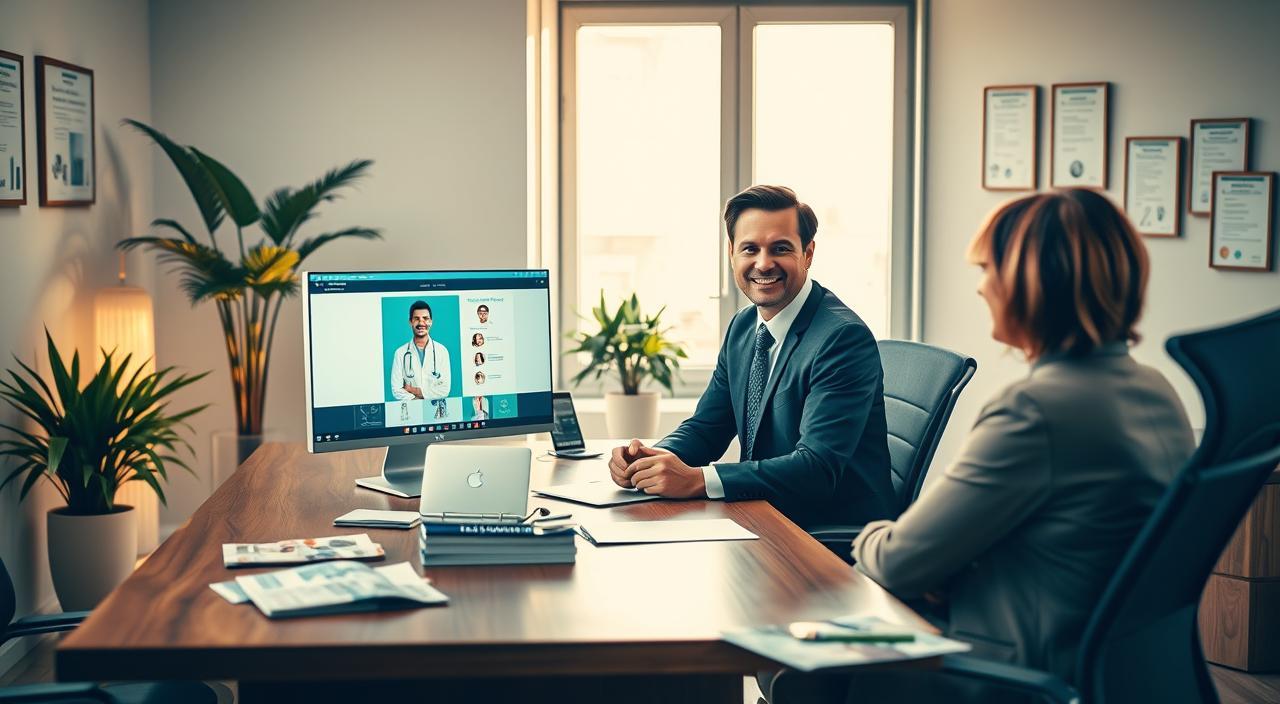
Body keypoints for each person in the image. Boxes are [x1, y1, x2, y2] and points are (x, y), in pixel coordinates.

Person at [766, 189, 1197, 704]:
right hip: (1116, 668)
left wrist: (881, 537)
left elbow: (897, 561)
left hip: (1009, 667)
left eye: (989, 269)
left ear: (1034, 285)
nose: (982, 287)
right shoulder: (1154, 389)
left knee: (798, 671)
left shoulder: (1036, 410)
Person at [608, 185, 894, 529]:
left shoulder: (841, 338)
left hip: (827, 533)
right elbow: (708, 427)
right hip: (764, 516)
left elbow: (816, 469)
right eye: (750, 248)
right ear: (732, 253)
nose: (763, 263)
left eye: (780, 248)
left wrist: (698, 479)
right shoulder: (744, 327)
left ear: (808, 253)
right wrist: (652, 460)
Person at [389, 301, 451, 412]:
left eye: (425, 318)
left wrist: (414, 390)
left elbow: (444, 390)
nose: (421, 323)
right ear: (410, 322)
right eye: (416, 319)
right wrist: (419, 402)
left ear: (431, 322)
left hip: (436, 412)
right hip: (412, 412)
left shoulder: (442, 351)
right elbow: (396, 390)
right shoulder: (400, 353)